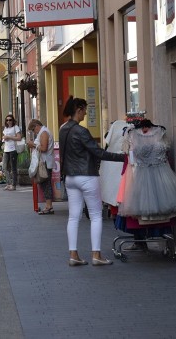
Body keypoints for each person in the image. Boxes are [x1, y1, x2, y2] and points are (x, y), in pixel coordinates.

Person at [59, 97, 126, 267]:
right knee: (96, 216)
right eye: (84, 110)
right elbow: (99, 153)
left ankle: (73, 254)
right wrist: (124, 157)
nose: (86, 113)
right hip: (87, 175)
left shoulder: (63, 130)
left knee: (73, 217)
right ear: (78, 109)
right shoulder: (81, 131)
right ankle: (96, 254)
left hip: (70, 177)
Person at [27, 119, 54, 213]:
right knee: (44, 183)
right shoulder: (42, 132)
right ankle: (48, 205)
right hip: (44, 161)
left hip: (45, 162)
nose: (34, 132)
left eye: (33, 130)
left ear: (37, 126)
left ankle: (48, 206)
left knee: (46, 183)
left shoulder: (44, 133)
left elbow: (44, 148)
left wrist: (33, 144)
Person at [2, 115, 22, 191]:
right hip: (6, 149)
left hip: (13, 149)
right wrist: (4, 138)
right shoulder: (5, 128)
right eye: (7, 120)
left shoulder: (15, 127)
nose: (8, 122)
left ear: (13, 120)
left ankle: (13, 185)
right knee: (4, 167)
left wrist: (9, 137)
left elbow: (19, 138)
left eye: (10, 120)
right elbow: (4, 137)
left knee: (13, 168)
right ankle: (8, 183)